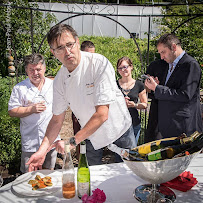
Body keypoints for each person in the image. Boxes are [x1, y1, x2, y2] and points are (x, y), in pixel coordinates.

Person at [26, 24, 136, 170]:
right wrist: (41, 151)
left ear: (77, 42)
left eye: (70, 45)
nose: (67, 52)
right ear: (53, 52)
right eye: (60, 48)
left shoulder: (98, 64)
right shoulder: (60, 80)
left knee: (130, 175)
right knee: (92, 178)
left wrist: (71, 141)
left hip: (120, 131)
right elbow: (56, 120)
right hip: (89, 134)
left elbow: (102, 114)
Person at [8, 53, 60, 173]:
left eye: (38, 69)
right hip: (31, 142)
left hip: (51, 141)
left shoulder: (54, 85)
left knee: (49, 174)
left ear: (44, 68)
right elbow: (12, 111)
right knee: (29, 176)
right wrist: (31, 109)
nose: (35, 73)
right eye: (31, 70)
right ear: (26, 70)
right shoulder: (20, 88)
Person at [145, 33, 202, 139]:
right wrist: (156, 86)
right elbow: (171, 90)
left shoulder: (191, 65)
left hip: (183, 127)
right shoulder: (168, 65)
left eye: (163, 52)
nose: (161, 57)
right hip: (168, 127)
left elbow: (185, 95)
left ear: (174, 47)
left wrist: (157, 88)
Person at [116, 56, 147, 144]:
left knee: (131, 151)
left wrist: (135, 105)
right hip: (118, 124)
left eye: (125, 67)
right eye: (120, 68)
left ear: (131, 67)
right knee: (119, 152)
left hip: (134, 123)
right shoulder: (114, 85)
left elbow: (145, 104)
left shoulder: (139, 85)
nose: (123, 70)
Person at [144, 59, 168, 143]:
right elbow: (146, 88)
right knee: (153, 138)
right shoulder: (154, 65)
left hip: (174, 106)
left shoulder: (181, 65)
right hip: (156, 105)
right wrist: (152, 86)